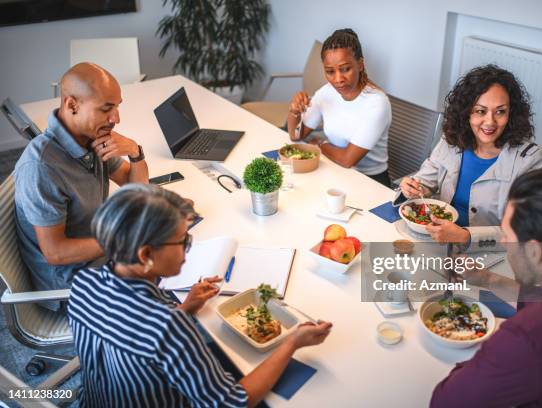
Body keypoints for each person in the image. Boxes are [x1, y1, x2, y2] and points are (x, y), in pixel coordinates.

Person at [68, 184, 333, 407]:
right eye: (183, 241)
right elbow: (233, 402)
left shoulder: (83, 282)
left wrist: (186, 308)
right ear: (146, 255)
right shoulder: (168, 325)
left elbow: (133, 337)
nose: (187, 249)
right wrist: (292, 343)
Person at [431, 168, 542, 407]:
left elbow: (446, 401)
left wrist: (491, 353)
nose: (504, 242)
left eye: (507, 235)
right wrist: (487, 279)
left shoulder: (526, 337)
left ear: (535, 251)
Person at [14, 63, 149, 310]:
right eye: (106, 109)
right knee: (171, 289)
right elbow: (56, 253)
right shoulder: (41, 167)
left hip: (101, 259)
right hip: (73, 286)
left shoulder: (92, 137)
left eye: (117, 107)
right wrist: (123, 239)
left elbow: (137, 189)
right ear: (72, 105)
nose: (116, 119)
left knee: (180, 250)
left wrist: (135, 153)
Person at [400, 65, 542, 248]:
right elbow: (424, 183)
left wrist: (466, 236)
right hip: (438, 243)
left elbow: (524, 233)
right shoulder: (451, 140)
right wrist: (411, 187)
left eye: (500, 111)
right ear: (466, 112)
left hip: (492, 256)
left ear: (512, 113)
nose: (490, 122)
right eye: (480, 111)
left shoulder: (530, 160)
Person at [288, 28, 392, 186]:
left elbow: (347, 159)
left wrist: (320, 144)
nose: (338, 79)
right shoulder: (326, 92)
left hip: (370, 182)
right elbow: (297, 135)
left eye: (345, 69)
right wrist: (295, 111)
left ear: (360, 64)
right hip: (333, 170)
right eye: (330, 71)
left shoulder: (377, 103)